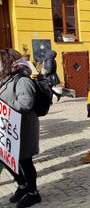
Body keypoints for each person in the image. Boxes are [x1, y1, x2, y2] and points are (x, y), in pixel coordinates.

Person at [0, 49, 41, 207]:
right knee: (6, 159)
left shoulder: (22, 80)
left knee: (25, 161)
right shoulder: (5, 79)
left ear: (7, 62)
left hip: (23, 128)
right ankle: (22, 186)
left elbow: (26, 103)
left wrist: (4, 105)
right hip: (8, 129)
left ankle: (33, 192)